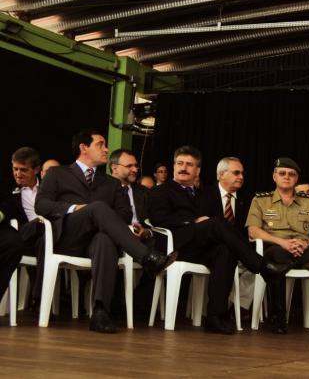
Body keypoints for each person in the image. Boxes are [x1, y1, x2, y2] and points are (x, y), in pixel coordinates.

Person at [35, 129, 177, 333]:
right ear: (84, 148)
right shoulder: (58, 174)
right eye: (100, 144)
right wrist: (76, 208)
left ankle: (101, 312)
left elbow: (125, 214)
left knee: (105, 240)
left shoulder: (111, 183)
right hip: (68, 237)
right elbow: (41, 205)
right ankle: (147, 256)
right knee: (98, 207)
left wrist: (102, 219)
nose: (106, 149)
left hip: (95, 242)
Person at [148, 146, 289, 335]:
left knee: (225, 250)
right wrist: (192, 221)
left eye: (189, 165)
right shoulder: (160, 191)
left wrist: (202, 223)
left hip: (198, 246)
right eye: (180, 163)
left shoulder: (201, 194)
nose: (184, 168)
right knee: (216, 222)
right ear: (174, 166)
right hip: (174, 245)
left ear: (197, 170)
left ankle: (215, 316)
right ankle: (262, 267)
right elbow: (158, 219)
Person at [246, 157, 309, 335]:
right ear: (274, 176)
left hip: (304, 249)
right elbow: (253, 231)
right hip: (277, 247)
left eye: (291, 174)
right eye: (282, 173)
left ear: (296, 179)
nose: (287, 177)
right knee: (275, 262)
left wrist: (307, 242)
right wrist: (283, 243)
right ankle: (278, 318)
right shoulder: (260, 200)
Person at [198, 157, 254, 314]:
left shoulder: (247, 199)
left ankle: (237, 307)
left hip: (239, 252)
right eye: (236, 173)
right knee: (230, 256)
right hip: (211, 251)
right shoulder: (204, 195)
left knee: (256, 265)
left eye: (242, 173)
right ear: (221, 174)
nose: (241, 177)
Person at [0, 147, 45, 305]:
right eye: (15, 169)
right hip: (22, 235)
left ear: (37, 169)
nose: (18, 174)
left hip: (45, 237)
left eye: (23, 170)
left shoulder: (47, 187)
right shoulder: (7, 188)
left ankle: (39, 299)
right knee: (40, 225)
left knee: (45, 238)